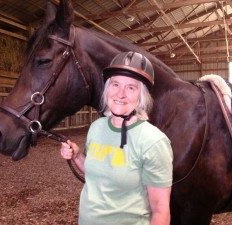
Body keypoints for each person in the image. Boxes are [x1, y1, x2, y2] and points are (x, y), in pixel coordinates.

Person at [60, 51, 173, 225]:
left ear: (141, 96)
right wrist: (77, 156)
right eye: (115, 85)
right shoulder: (97, 127)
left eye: (131, 88)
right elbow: (96, 172)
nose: (120, 94)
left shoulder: (153, 142)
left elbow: (160, 210)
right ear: (107, 89)